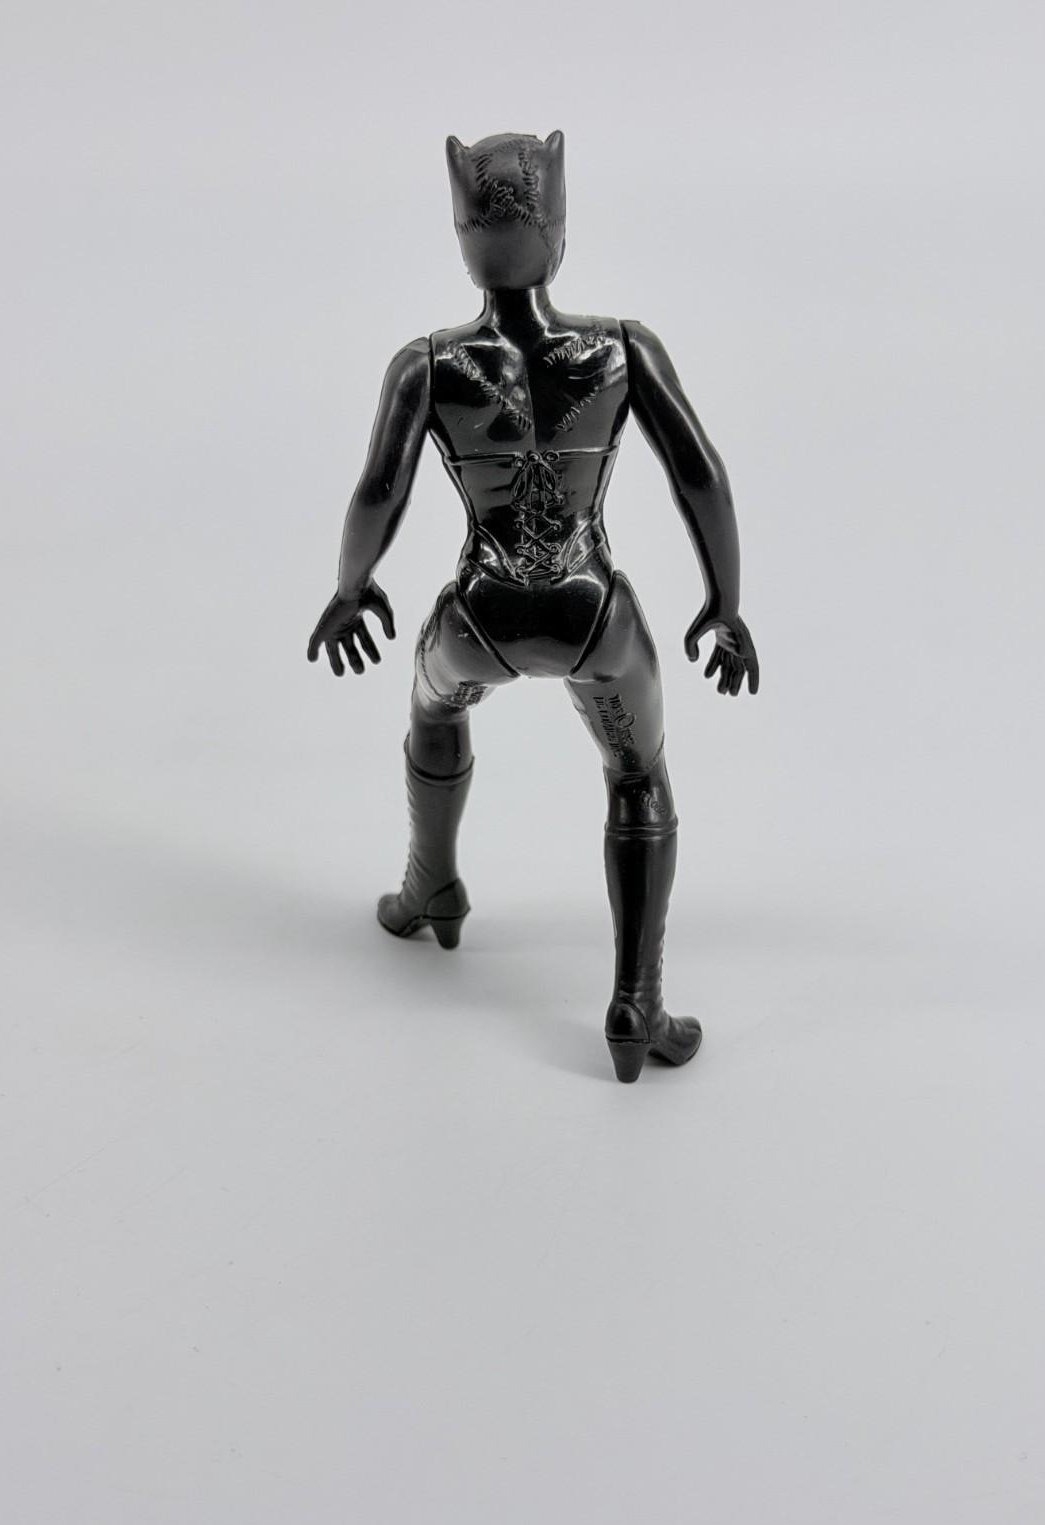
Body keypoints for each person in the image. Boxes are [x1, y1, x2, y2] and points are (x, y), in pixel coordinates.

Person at [307, 130, 759, 1081]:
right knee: (637, 776)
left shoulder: (427, 364)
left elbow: (378, 494)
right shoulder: (624, 348)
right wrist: (725, 604)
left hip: (482, 615)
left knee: (433, 707)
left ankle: (432, 885)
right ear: (559, 232)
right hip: (594, 616)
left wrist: (351, 589)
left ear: (464, 241)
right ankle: (636, 1002)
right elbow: (701, 475)